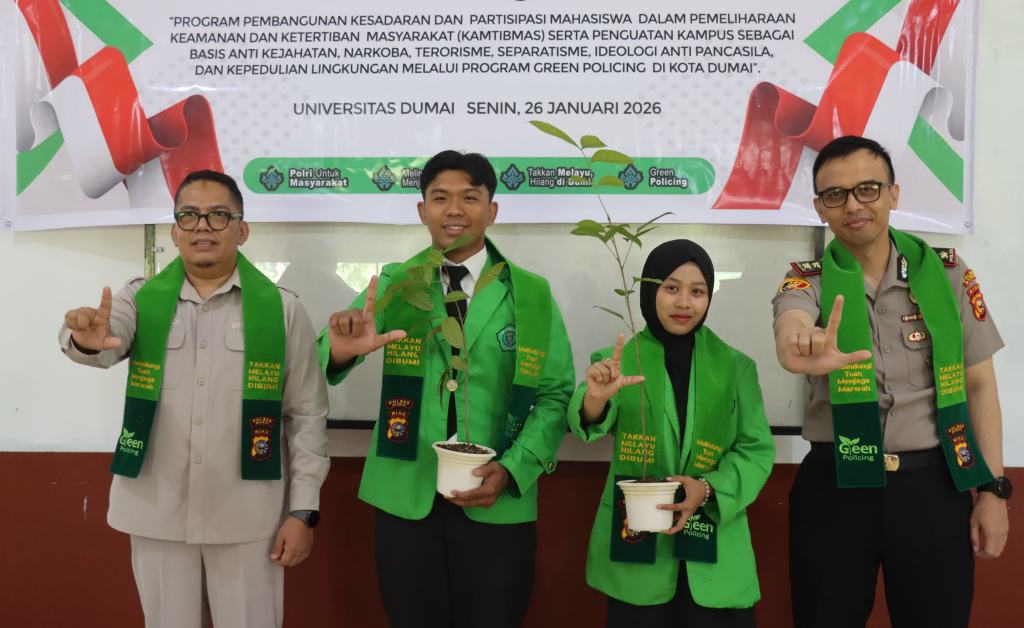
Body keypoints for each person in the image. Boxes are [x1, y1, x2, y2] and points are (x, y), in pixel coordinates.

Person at [60, 170, 329, 628]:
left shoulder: (282, 308)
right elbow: (103, 342)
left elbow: (306, 415)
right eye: (189, 215)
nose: (202, 225)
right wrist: (85, 340)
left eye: (218, 215)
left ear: (241, 230)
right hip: (156, 511)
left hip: (249, 515)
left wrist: (302, 511)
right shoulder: (139, 299)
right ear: (174, 231)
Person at [317, 150, 574, 627]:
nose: (454, 210)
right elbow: (320, 359)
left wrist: (513, 469)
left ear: (492, 210)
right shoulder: (396, 283)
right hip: (406, 495)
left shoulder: (531, 294)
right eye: (440, 198)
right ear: (422, 211)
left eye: (469, 198)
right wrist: (341, 350)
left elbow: (555, 396)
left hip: (498, 498)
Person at [772, 135, 1010, 628]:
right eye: (835, 195)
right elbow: (790, 323)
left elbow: (980, 386)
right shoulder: (807, 280)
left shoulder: (947, 275)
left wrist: (993, 492)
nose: (852, 205)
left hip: (932, 487)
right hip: (835, 486)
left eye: (867, 189)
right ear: (819, 208)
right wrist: (799, 343)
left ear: (893, 194)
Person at [567, 239, 775, 627]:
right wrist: (595, 397)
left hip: (714, 545)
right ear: (650, 291)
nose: (684, 303)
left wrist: (708, 488)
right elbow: (590, 422)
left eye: (697, 291)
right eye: (671, 287)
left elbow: (756, 450)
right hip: (638, 541)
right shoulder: (617, 362)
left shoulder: (735, 366)